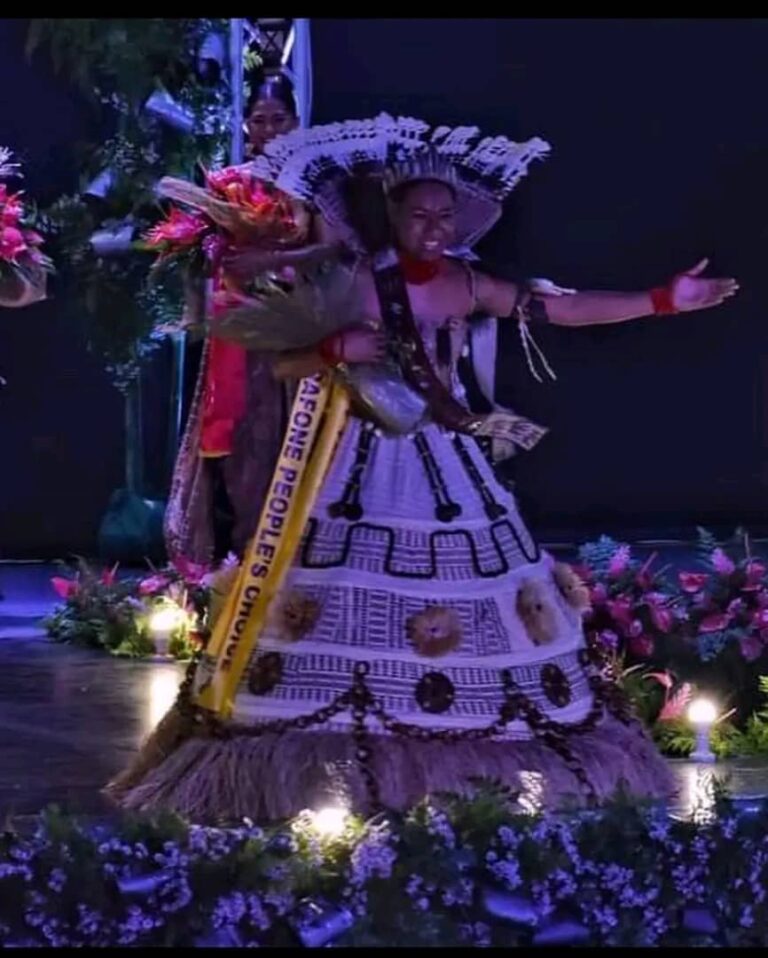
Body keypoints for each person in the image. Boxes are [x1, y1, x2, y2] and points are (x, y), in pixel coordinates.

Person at [109, 114, 737, 822]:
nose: (434, 227)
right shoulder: (349, 276)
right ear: (394, 215)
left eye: (446, 215)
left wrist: (659, 301)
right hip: (353, 462)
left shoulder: (468, 284)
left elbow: (564, 311)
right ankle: (316, 760)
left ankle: (462, 760)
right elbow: (287, 360)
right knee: (340, 595)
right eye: (420, 214)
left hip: (448, 458)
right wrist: (337, 352)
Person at [164, 73, 301, 564]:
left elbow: (334, 251)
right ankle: (241, 553)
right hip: (237, 331)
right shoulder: (229, 185)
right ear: (245, 127)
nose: (267, 130)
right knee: (242, 440)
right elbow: (205, 254)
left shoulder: (312, 184)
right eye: (258, 121)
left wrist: (275, 263)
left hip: (297, 330)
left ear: (297, 122)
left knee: (288, 438)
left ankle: (290, 560)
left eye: (278, 120)